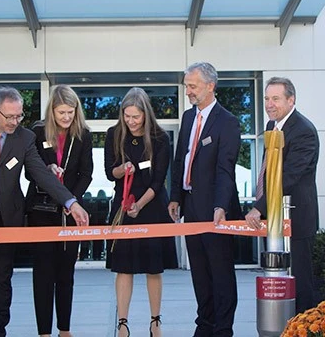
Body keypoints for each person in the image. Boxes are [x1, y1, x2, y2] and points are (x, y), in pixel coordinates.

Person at [0, 87, 90, 337]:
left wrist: (71, 202)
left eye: (19, 116)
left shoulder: (24, 137)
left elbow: (39, 173)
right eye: (10, 117)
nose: (15, 122)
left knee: (2, 280)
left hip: (7, 217)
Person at [168, 62, 243, 337]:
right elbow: (181, 160)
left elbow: (226, 169)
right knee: (199, 273)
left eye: (192, 86)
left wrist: (220, 206)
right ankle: (205, 325)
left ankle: (223, 330)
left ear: (210, 86)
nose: (188, 91)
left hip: (216, 211)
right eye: (187, 85)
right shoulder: (188, 118)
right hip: (191, 206)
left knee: (221, 274)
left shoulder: (228, 122)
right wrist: (175, 195)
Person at [104, 87, 178, 337]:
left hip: (151, 206)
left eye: (136, 117)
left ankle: (155, 322)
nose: (131, 121)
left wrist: (140, 204)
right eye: (127, 116)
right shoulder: (114, 134)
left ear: (146, 114)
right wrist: (122, 169)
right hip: (123, 205)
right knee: (123, 267)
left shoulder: (159, 138)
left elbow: (159, 182)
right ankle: (122, 324)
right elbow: (108, 172)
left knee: (153, 267)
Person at [245, 76, 319, 314]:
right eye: (267, 98)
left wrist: (259, 206)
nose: (269, 104)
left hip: (296, 219)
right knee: (279, 284)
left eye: (275, 99)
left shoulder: (304, 131)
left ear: (291, 100)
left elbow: (288, 177)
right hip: (277, 220)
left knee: (300, 284)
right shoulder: (272, 127)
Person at [25, 85, 93, 337]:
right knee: (43, 273)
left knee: (66, 273)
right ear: (51, 111)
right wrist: (48, 169)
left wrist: (71, 200)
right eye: (61, 112)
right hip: (41, 211)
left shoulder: (83, 135)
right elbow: (28, 171)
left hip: (70, 213)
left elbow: (86, 173)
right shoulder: (37, 131)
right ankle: (44, 332)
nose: (66, 117)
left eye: (70, 112)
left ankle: (65, 329)